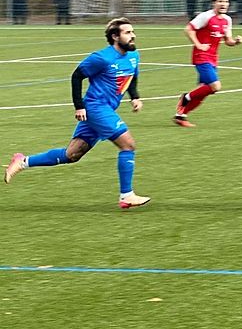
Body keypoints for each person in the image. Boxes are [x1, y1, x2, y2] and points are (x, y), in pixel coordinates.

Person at [4, 17, 150, 209]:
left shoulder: (133, 56)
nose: (133, 36)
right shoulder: (101, 58)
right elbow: (77, 76)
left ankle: (22, 162)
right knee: (128, 145)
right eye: (128, 32)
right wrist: (79, 106)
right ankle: (126, 195)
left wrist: (135, 97)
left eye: (133, 32)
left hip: (104, 109)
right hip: (96, 108)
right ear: (115, 36)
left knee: (72, 154)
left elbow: (131, 77)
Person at [173, 0, 242, 127]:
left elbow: (227, 40)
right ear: (214, 3)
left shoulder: (227, 20)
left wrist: (236, 42)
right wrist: (198, 44)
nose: (223, 4)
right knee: (215, 86)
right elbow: (188, 29)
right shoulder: (206, 16)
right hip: (201, 57)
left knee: (204, 91)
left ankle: (181, 116)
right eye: (220, 2)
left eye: (226, 2)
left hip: (213, 59)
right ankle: (186, 98)